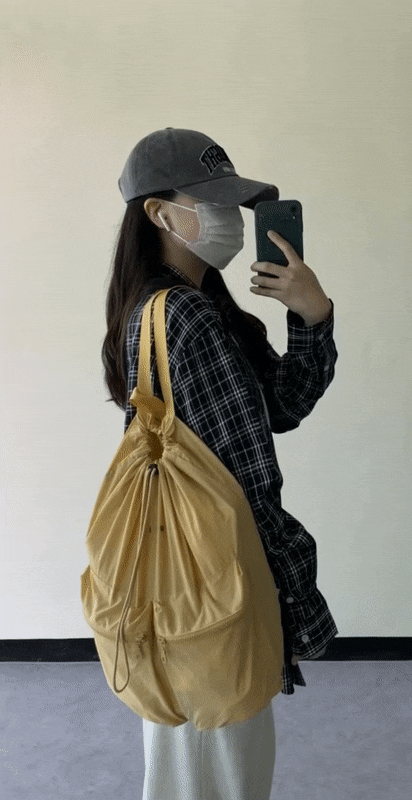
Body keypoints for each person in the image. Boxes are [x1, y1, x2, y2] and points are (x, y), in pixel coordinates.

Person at [101, 127, 339, 800]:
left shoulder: (171, 306)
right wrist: (289, 595)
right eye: (213, 204)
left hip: (178, 568)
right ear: (158, 212)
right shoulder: (188, 316)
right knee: (226, 757)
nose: (231, 220)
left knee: (187, 753)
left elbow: (280, 406)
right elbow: (248, 480)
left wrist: (310, 315)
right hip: (217, 575)